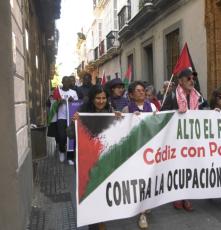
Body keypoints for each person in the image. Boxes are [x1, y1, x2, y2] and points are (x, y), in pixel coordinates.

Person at [71, 85, 121, 230]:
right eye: (98, 98)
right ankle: (95, 223)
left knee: (102, 191)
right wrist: (75, 122)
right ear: (92, 99)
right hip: (86, 160)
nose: (101, 101)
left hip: (104, 159)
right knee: (90, 191)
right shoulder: (82, 113)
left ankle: (100, 221)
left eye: (103, 98)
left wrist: (120, 119)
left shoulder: (111, 112)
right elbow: (69, 134)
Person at [161, 68, 201, 211]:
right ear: (180, 81)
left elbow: (206, 110)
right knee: (178, 167)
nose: (192, 81)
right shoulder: (172, 96)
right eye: (188, 78)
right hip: (176, 140)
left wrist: (215, 112)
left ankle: (187, 196)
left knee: (189, 167)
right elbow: (163, 116)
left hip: (192, 140)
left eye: (193, 79)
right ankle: (177, 196)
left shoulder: (198, 96)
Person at [122, 81, 157, 229]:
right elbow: (122, 130)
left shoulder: (153, 107)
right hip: (135, 150)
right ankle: (141, 214)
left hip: (150, 149)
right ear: (131, 95)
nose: (142, 92)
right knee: (140, 180)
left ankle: (146, 204)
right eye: (138, 91)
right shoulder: (126, 108)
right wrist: (130, 118)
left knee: (149, 178)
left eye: (143, 90)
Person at [57, 76, 78, 164]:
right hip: (61, 118)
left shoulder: (73, 92)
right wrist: (59, 102)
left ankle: (70, 157)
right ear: (62, 82)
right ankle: (61, 151)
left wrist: (73, 101)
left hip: (71, 118)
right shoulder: (58, 92)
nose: (66, 83)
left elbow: (77, 104)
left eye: (68, 82)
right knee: (61, 137)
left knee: (71, 137)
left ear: (70, 83)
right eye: (64, 81)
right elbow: (53, 105)